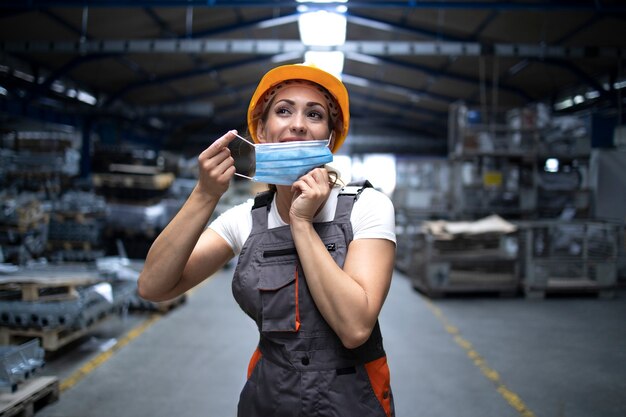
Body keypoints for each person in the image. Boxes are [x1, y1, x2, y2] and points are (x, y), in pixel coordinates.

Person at [138, 63, 397, 417]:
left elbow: (355, 328)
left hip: (351, 400)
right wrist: (204, 194)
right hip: (270, 399)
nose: (298, 123)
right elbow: (154, 286)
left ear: (329, 137)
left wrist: (301, 222)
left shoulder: (366, 207)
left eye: (315, 114)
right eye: (284, 110)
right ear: (261, 131)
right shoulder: (245, 219)